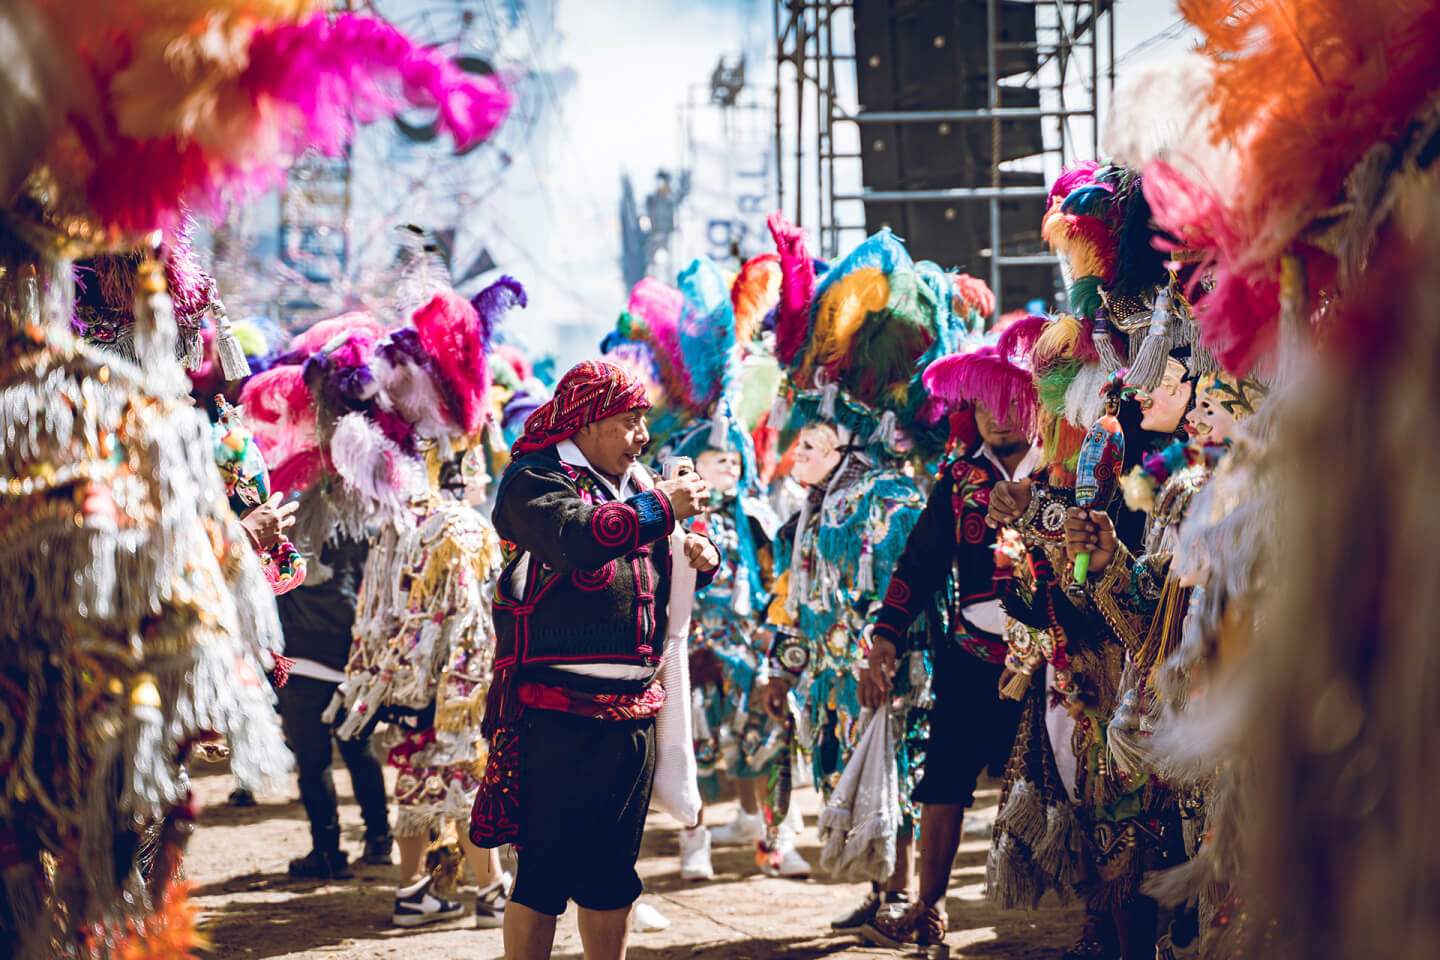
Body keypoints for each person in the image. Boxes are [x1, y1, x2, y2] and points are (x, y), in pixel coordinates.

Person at [759, 217, 976, 932]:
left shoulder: (890, 498)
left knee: (900, 778)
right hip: (830, 679)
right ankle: (882, 894)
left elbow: (914, 598)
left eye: (811, 443)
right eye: (797, 445)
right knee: (844, 778)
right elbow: (798, 599)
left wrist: (888, 663)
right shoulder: (818, 504)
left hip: (885, 671)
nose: (797, 457)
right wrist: (784, 669)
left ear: (847, 439)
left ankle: (908, 893)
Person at [469, 358, 718, 960]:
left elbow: (648, 573)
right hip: (553, 713)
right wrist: (663, 507)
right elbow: (580, 539)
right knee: (545, 874)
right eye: (630, 421)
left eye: (644, 421)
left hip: (632, 711)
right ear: (585, 421)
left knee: (613, 874)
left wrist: (700, 561)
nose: (643, 436)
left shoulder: (635, 488)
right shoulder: (533, 479)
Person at [857, 394, 1040, 949]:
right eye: (985, 405)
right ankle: (929, 908)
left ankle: (1097, 918)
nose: (996, 415)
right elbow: (922, 560)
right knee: (942, 783)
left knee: (1074, 785)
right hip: (970, 657)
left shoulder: (1065, 466)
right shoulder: (960, 476)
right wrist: (886, 633)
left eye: (1009, 402)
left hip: (1053, 663)